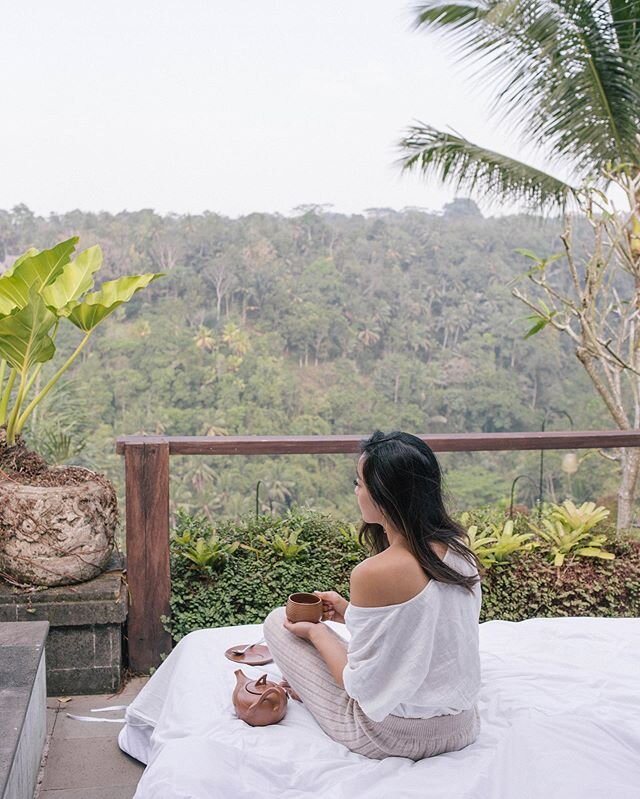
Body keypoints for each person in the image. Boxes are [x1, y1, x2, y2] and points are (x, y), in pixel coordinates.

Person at [263, 430, 482, 760]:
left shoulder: (373, 572)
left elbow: (359, 686)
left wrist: (317, 631)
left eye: (359, 484)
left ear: (383, 496)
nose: (356, 492)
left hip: (391, 737)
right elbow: (425, 631)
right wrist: (349, 612)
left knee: (278, 621)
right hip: (463, 725)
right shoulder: (460, 550)